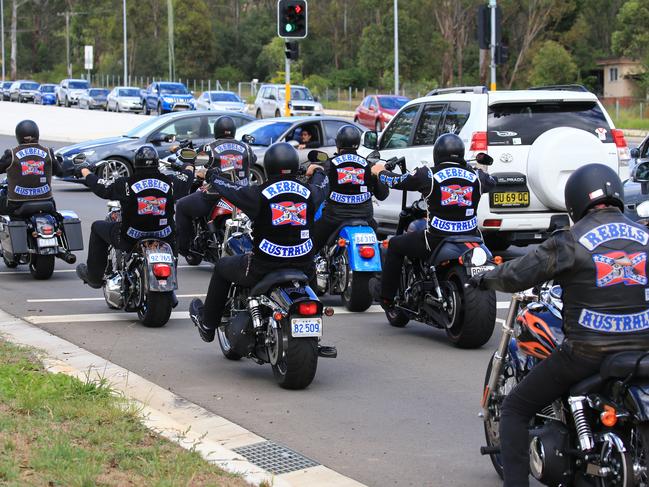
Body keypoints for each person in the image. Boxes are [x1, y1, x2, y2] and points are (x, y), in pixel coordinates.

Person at [468, 163, 649, 487]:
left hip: (588, 351)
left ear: (575, 201)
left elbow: (518, 273)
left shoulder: (570, 240)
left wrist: (484, 277)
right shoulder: (645, 235)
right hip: (643, 348)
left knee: (514, 408)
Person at [189, 142, 328, 342]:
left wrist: (210, 175)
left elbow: (231, 188)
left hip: (264, 267)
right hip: (303, 266)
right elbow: (322, 185)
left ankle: (208, 325)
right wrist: (318, 172)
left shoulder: (259, 194)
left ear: (269, 166)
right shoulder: (310, 193)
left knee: (221, 267)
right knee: (311, 274)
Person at [369, 133, 496, 309]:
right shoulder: (477, 176)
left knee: (396, 245)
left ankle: (386, 298)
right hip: (471, 238)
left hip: (436, 239)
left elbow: (397, 181)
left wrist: (379, 171)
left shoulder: (428, 174)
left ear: (437, 154)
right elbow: (493, 181)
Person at [75, 144, 194, 288]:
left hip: (131, 238)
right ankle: (171, 279)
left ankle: (94, 277)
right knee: (175, 234)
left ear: (136, 163)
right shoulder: (170, 182)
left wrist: (85, 171)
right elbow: (187, 178)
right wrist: (189, 164)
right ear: (157, 163)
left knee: (96, 227)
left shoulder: (125, 184)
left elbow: (101, 187)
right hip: (164, 236)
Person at [175, 116, 256, 258]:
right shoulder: (246, 148)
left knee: (181, 205)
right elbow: (253, 160)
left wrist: (183, 153)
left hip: (215, 194)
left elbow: (191, 158)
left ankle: (184, 248)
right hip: (242, 194)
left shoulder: (210, 148)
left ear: (216, 129)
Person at [309, 125, 389, 251]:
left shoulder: (329, 164)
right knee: (377, 244)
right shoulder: (369, 165)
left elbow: (316, 191)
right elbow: (382, 195)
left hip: (334, 219)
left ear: (338, 143)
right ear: (357, 144)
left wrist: (316, 170)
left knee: (310, 245)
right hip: (365, 218)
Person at [0, 120, 64, 216]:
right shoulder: (48, 153)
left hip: (17, 204)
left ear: (19, 135)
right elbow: (59, 172)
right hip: (46, 202)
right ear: (36, 134)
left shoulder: (11, 154)